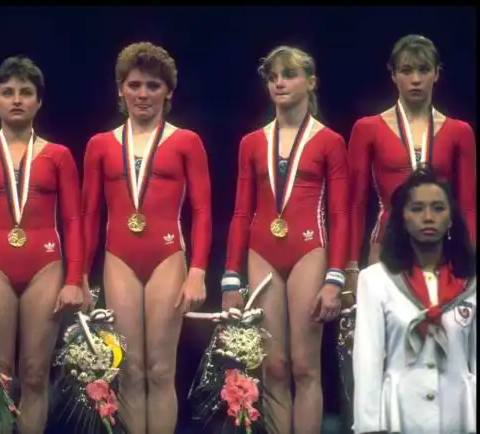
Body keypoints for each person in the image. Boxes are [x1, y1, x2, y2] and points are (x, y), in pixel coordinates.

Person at [0, 56, 86, 434]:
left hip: (46, 267)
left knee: (36, 373)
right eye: (8, 93)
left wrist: (74, 279)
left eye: (26, 92)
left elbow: (74, 221)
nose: (17, 99)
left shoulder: (59, 155)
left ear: (39, 101)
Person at [81, 42, 211, 434]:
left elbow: (203, 211)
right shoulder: (100, 145)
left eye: (153, 86)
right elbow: (88, 215)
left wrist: (198, 271)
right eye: (134, 85)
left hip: (167, 258)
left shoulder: (186, 141)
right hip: (118, 259)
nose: (143, 94)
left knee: (160, 369)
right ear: (120, 89)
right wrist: (78, 275)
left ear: (168, 91)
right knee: (130, 369)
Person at [221, 46, 349, 434]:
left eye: (289, 74)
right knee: (273, 366)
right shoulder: (251, 143)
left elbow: (340, 215)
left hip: (309, 250)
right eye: (273, 76)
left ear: (311, 82)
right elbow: (241, 213)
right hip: (262, 252)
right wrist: (230, 277)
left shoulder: (329, 141)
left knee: (305, 366)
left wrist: (335, 278)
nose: (279, 82)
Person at [346, 34, 476, 292]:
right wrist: (349, 267)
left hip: (441, 248)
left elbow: (468, 206)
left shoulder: (459, 132)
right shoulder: (367, 128)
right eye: (406, 70)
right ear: (393, 74)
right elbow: (355, 204)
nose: (416, 79)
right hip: (386, 244)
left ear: (437, 73)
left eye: (424, 70)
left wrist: (470, 260)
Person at [353, 166, 476, 434]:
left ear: (451, 219)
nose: (428, 217)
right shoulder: (375, 280)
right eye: (417, 209)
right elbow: (367, 361)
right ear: (403, 219)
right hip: (399, 418)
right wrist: (368, 427)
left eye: (438, 208)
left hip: (459, 418)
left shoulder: (471, 283)